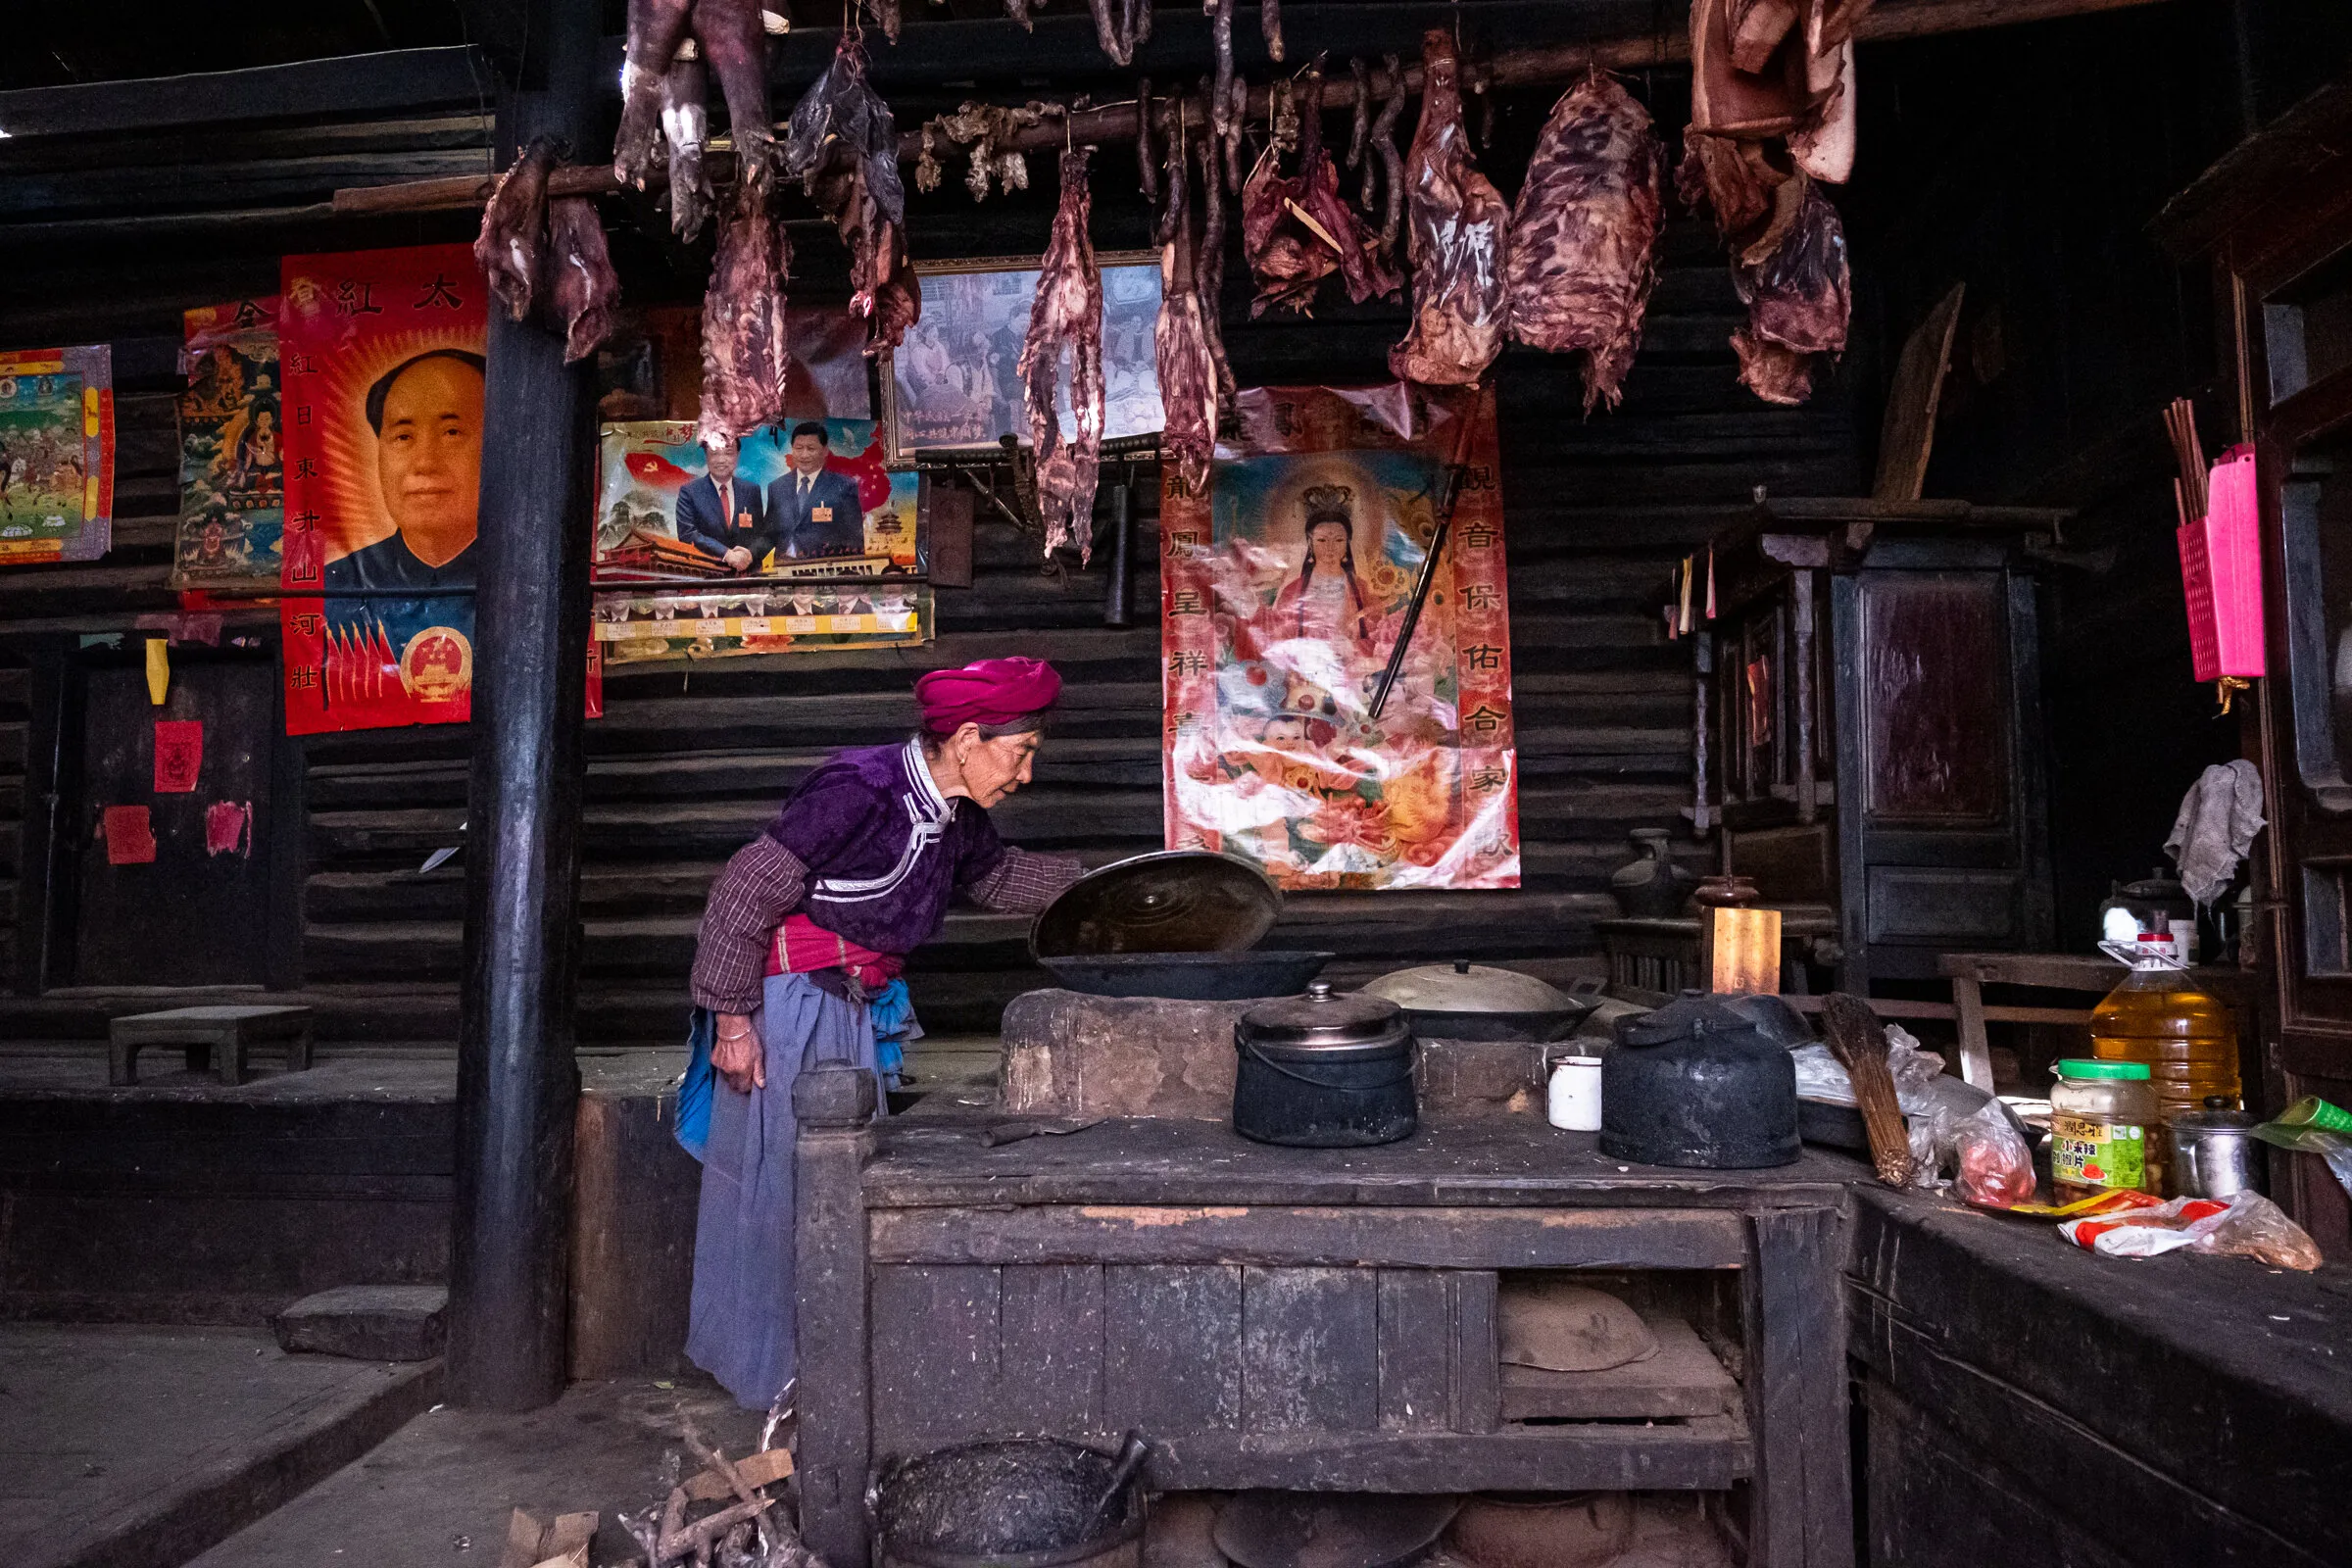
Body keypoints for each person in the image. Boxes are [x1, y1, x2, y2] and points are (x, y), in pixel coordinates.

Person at [681, 657, 1083, 1411]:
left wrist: (1111, 885)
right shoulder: (861, 792)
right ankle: (780, 1382)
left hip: (850, 1006)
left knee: (837, 1181)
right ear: (968, 738)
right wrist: (732, 1022)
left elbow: (1000, 880)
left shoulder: (958, 816)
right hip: (788, 1007)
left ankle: (826, 1371)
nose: (1027, 773)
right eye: (1021, 750)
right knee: (788, 1185)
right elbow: (744, 888)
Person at [323, 350, 485, 593]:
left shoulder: (528, 578)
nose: (425, 463)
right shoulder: (338, 586)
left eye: (452, 432)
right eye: (403, 436)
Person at [1269, 485, 1380, 658]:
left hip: (1351, 673)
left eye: (1338, 540)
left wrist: (1353, 648)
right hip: (1306, 675)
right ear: (1310, 543)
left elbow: (1381, 640)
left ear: (1347, 543)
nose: (1330, 548)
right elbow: (1279, 642)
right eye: (1321, 540)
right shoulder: (1292, 592)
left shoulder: (1362, 590)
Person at [765, 422, 865, 560]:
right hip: (784, 572)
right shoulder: (776, 487)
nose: (804, 455)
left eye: (811, 448)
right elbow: (767, 535)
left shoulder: (844, 486)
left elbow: (854, 539)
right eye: (799, 448)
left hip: (824, 573)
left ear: (825, 451)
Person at [673, 439, 774, 572]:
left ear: (737, 456)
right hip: (707, 573)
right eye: (714, 454)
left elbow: (761, 534)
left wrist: (750, 555)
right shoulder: (690, 492)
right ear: (706, 456)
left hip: (746, 576)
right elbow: (687, 534)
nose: (721, 460)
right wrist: (727, 554)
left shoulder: (751, 490)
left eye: (728, 453)